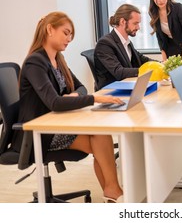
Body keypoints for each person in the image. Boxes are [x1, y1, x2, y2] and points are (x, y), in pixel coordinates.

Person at [17, 12, 124, 203]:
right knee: (99, 139)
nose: (69, 39)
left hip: (56, 123)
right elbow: (54, 102)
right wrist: (94, 98)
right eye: (66, 33)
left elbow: (80, 87)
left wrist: (74, 95)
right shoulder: (35, 62)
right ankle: (114, 192)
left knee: (100, 135)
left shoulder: (58, 60)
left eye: (71, 36)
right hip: (39, 132)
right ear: (50, 29)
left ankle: (112, 192)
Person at [94, 4, 156, 90]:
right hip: (111, 92)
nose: (138, 27)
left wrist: (160, 64)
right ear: (122, 21)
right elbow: (119, 72)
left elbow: (141, 59)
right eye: (135, 23)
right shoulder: (105, 44)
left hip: (127, 87)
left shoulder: (126, 42)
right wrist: (148, 70)